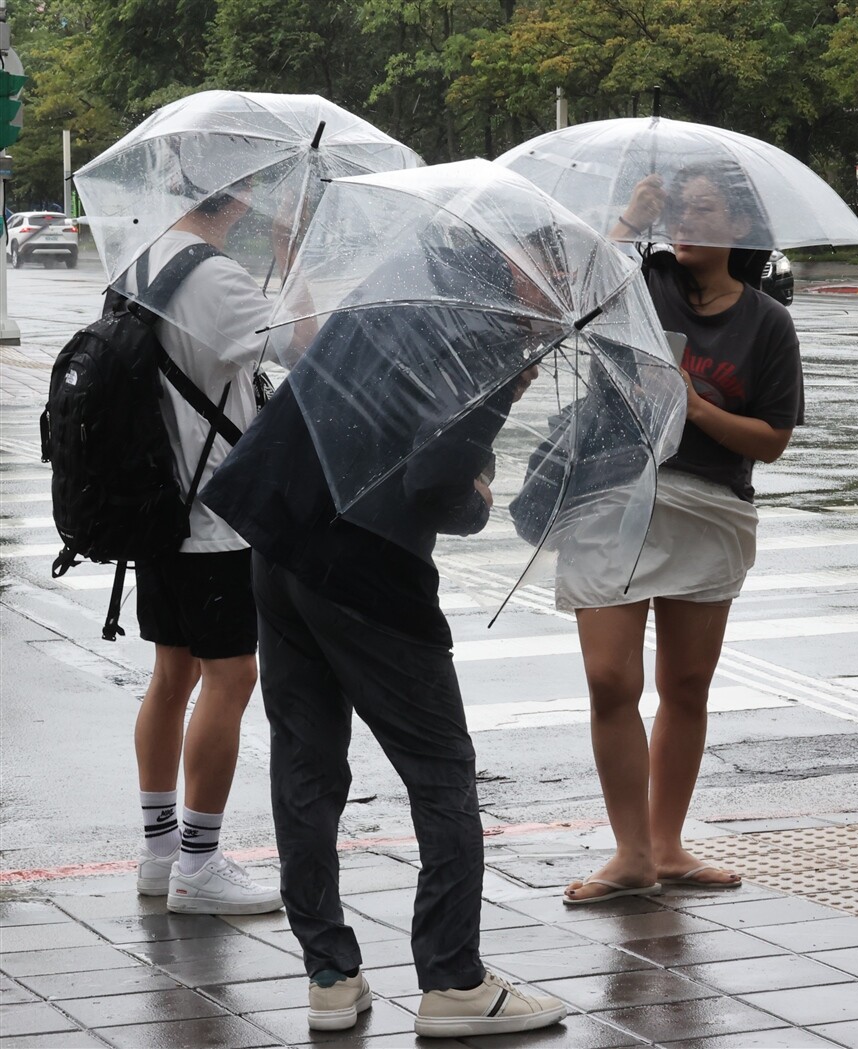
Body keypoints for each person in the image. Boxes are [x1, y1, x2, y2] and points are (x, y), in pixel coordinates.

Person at [202, 240, 567, 1038]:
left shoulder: (406, 279)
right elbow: (436, 484)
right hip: (365, 567)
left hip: (281, 532)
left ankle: (330, 976)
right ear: (521, 267)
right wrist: (476, 493)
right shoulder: (489, 339)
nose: (558, 302)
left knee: (306, 759)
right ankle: (453, 980)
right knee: (441, 771)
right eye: (556, 280)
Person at [559, 165, 803, 904]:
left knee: (686, 685)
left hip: (708, 505)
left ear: (742, 229)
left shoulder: (767, 321)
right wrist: (632, 220)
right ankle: (628, 851)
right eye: (678, 210)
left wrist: (695, 409)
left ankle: (664, 846)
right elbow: (575, 294)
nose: (686, 223)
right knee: (611, 679)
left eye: (704, 210)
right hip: (611, 492)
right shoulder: (642, 281)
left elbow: (771, 438)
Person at [131, 183, 292, 916]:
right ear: (236, 198)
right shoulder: (216, 277)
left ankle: (160, 853)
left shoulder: (138, 262)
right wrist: (293, 254)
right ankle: (199, 863)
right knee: (230, 678)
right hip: (213, 514)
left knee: (172, 674)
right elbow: (306, 346)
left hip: (152, 504)